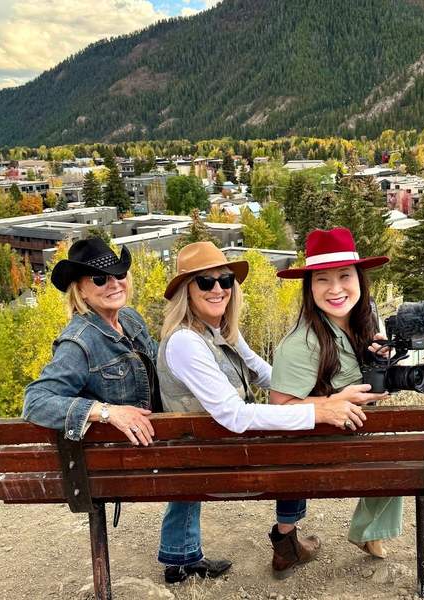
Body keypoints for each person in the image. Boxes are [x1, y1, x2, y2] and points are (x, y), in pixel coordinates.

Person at [157, 241, 375, 583]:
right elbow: (235, 416)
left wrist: (317, 395)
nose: (218, 289)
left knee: (291, 422)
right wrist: (318, 412)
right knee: (296, 439)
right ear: (186, 290)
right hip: (213, 452)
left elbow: (264, 373)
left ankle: (183, 556)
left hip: (202, 445)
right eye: (205, 282)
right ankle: (286, 538)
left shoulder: (218, 331)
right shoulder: (186, 342)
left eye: (225, 280)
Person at [270, 227, 402, 563]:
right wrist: (331, 402)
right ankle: (368, 531)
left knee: (396, 441)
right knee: (398, 448)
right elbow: (279, 408)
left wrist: (380, 358)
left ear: (359, 278)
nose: (335, 289)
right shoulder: (298, 345)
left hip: (359, 434)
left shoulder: (366, 314)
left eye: (345, 276)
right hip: (321, 447)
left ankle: (368, 532)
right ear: (309, 286)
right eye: (322, 280)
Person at [22, 237, 159, 446]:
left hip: (156, 446)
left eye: (119, 273)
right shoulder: (79, 342)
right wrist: (108, 412)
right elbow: (35, 402)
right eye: (99, 279)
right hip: (121, 459)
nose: (114, 283)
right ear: (81, 291)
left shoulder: (130, 318)